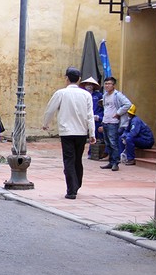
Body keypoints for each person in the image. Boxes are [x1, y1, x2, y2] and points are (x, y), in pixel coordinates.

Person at [42, 67, 97, 200]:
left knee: (69, 159)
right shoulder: (86, 95)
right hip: (81, 132)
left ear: (66, 78)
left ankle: (72, 189)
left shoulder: (61, 93)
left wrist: (46, 123)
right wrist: (92, 133)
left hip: (66, 132)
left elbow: (50, 110)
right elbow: (90, 115)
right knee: (77, 159)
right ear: (79, 79)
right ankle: (76, 184)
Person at [99, 76, 132, 172]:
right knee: (108, 143)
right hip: (106, 121)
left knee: (113, 143)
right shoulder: (105, 95)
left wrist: (118, 113)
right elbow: (106, 108)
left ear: (113, 85)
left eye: (109, 84)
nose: (107, 86)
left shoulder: (118, 95)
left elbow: (128, 104)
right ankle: (111, 161)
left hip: (113, 122)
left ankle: (115, 163)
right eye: (106, 84)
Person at [80, 76, 104, 159]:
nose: (89, 86)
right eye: (87, 84)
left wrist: (99, 117)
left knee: (95, 135)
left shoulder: (99, 95)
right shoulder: (82, 94)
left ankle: (93, 152)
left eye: (91, 84)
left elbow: (103, 107)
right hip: (84, 117)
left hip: (95, 118)